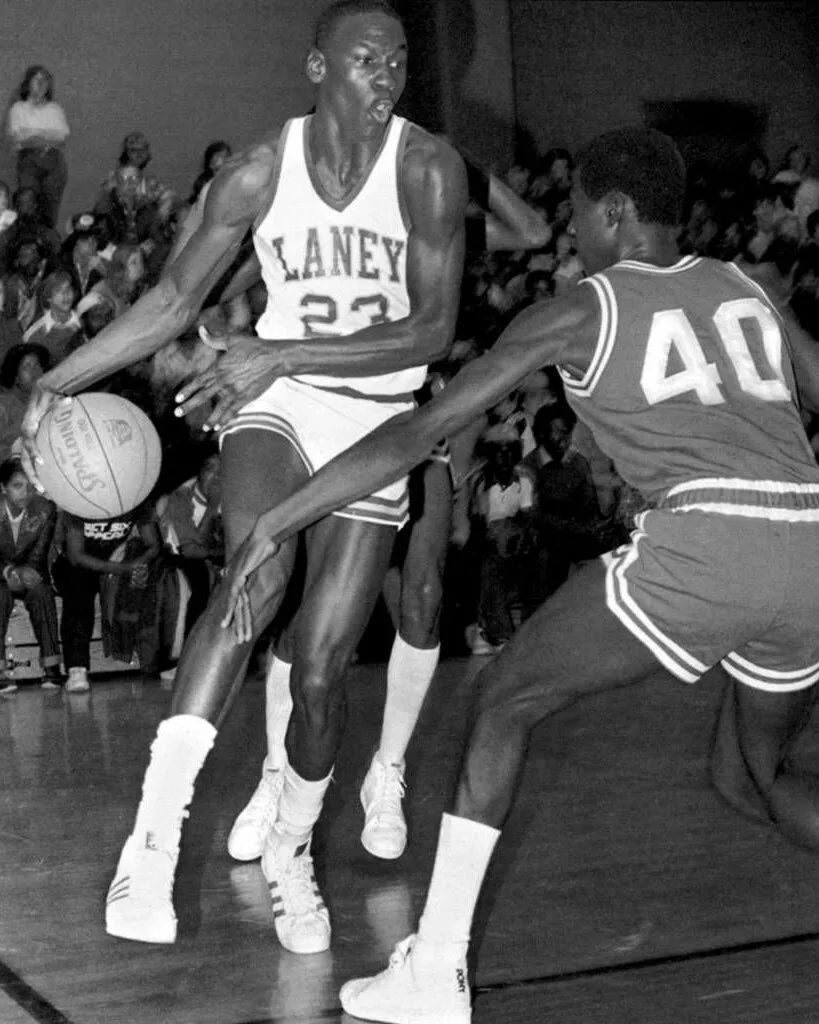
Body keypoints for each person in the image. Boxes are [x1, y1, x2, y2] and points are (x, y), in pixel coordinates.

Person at [218, 127, 819, 1024]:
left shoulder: (580, 309)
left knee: (502, 698)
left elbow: (416, 435)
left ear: (613, 212)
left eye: (576, 209)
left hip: (709, 539)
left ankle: (436, 969)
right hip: (808, 540)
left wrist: (280, 515)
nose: (567, 229)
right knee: (750, 776)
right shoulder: (746, 287)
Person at [22, 0, 467, 954]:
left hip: (379, 417)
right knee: (248, 581)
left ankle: (292, 851)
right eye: (363, 59)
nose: (385, 76)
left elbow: (432, 331)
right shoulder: (261, 170)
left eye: (395, 60)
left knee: (320, 671)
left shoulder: (427, 168)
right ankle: (152, 839)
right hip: (277, 403)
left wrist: (281, 349)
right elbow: (174, 300)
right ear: (316, 67)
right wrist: (57, 380)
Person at [222, 138, 551, 866]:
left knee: (425, 592)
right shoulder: (300, 214)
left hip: (399, 415)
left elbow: (530, 233)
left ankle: (387, 773)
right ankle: (275, 774)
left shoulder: (420, 225)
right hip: (309, 408)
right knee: (303, 616)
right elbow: (227, 277)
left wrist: (466, 165)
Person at [50, 502, 161, 693]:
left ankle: (151, 659)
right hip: (76, 565)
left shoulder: (136, 498)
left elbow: (153, 545)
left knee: (150, 578)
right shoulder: (79, 499)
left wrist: (138, 565)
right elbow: (76, 556)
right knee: (78, 585)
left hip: (116, 564)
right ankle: (77, 668)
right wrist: (122, 569)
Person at [0, 457, 60, 693]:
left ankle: (52, 667)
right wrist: (9, 571)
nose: (25, 493)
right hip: (2, 575)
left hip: (30, 571)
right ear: (3, 488)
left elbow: (39, 552)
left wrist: (27, 572)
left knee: (42, 593)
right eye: (17, 486)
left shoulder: (45, 509)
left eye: (30, 486)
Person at [6, 66, 70, 230]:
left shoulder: (55, 109)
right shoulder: (18, 109)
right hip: (29, 163)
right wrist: (46, 135)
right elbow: (18, 139)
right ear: (28, 84)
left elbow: (61, 139)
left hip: (54, 163)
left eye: (45, 80)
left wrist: (34, 134)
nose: (41, 84)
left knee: (49, 210)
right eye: (37, 79)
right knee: (27, 203)